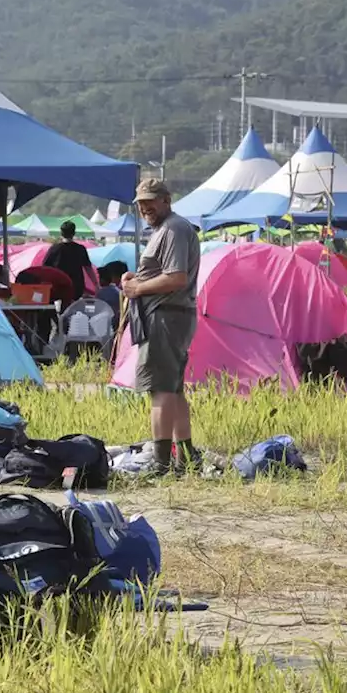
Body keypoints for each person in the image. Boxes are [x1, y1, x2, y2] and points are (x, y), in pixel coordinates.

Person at [122, 178, 202, 474]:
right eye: (141, 203)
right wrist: (137, 280)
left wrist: (138, 289)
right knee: (173, 390)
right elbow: (164, 274)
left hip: (166, 317)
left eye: (150, 201)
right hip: (171, 315)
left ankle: (161, 463)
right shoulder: (165, 230)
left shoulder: (173, 229)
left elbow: (176, 278)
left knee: (159, 391)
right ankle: (186, 457)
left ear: (166, 200)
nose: (145, 208)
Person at [42, 220, 94, 301]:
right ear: (74, 233)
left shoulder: (54, 249)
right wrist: (96, 284)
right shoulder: (80, 249)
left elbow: (45, 269)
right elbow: (88, 268)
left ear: (61, 233)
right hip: (76, 287)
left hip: (58, 287)